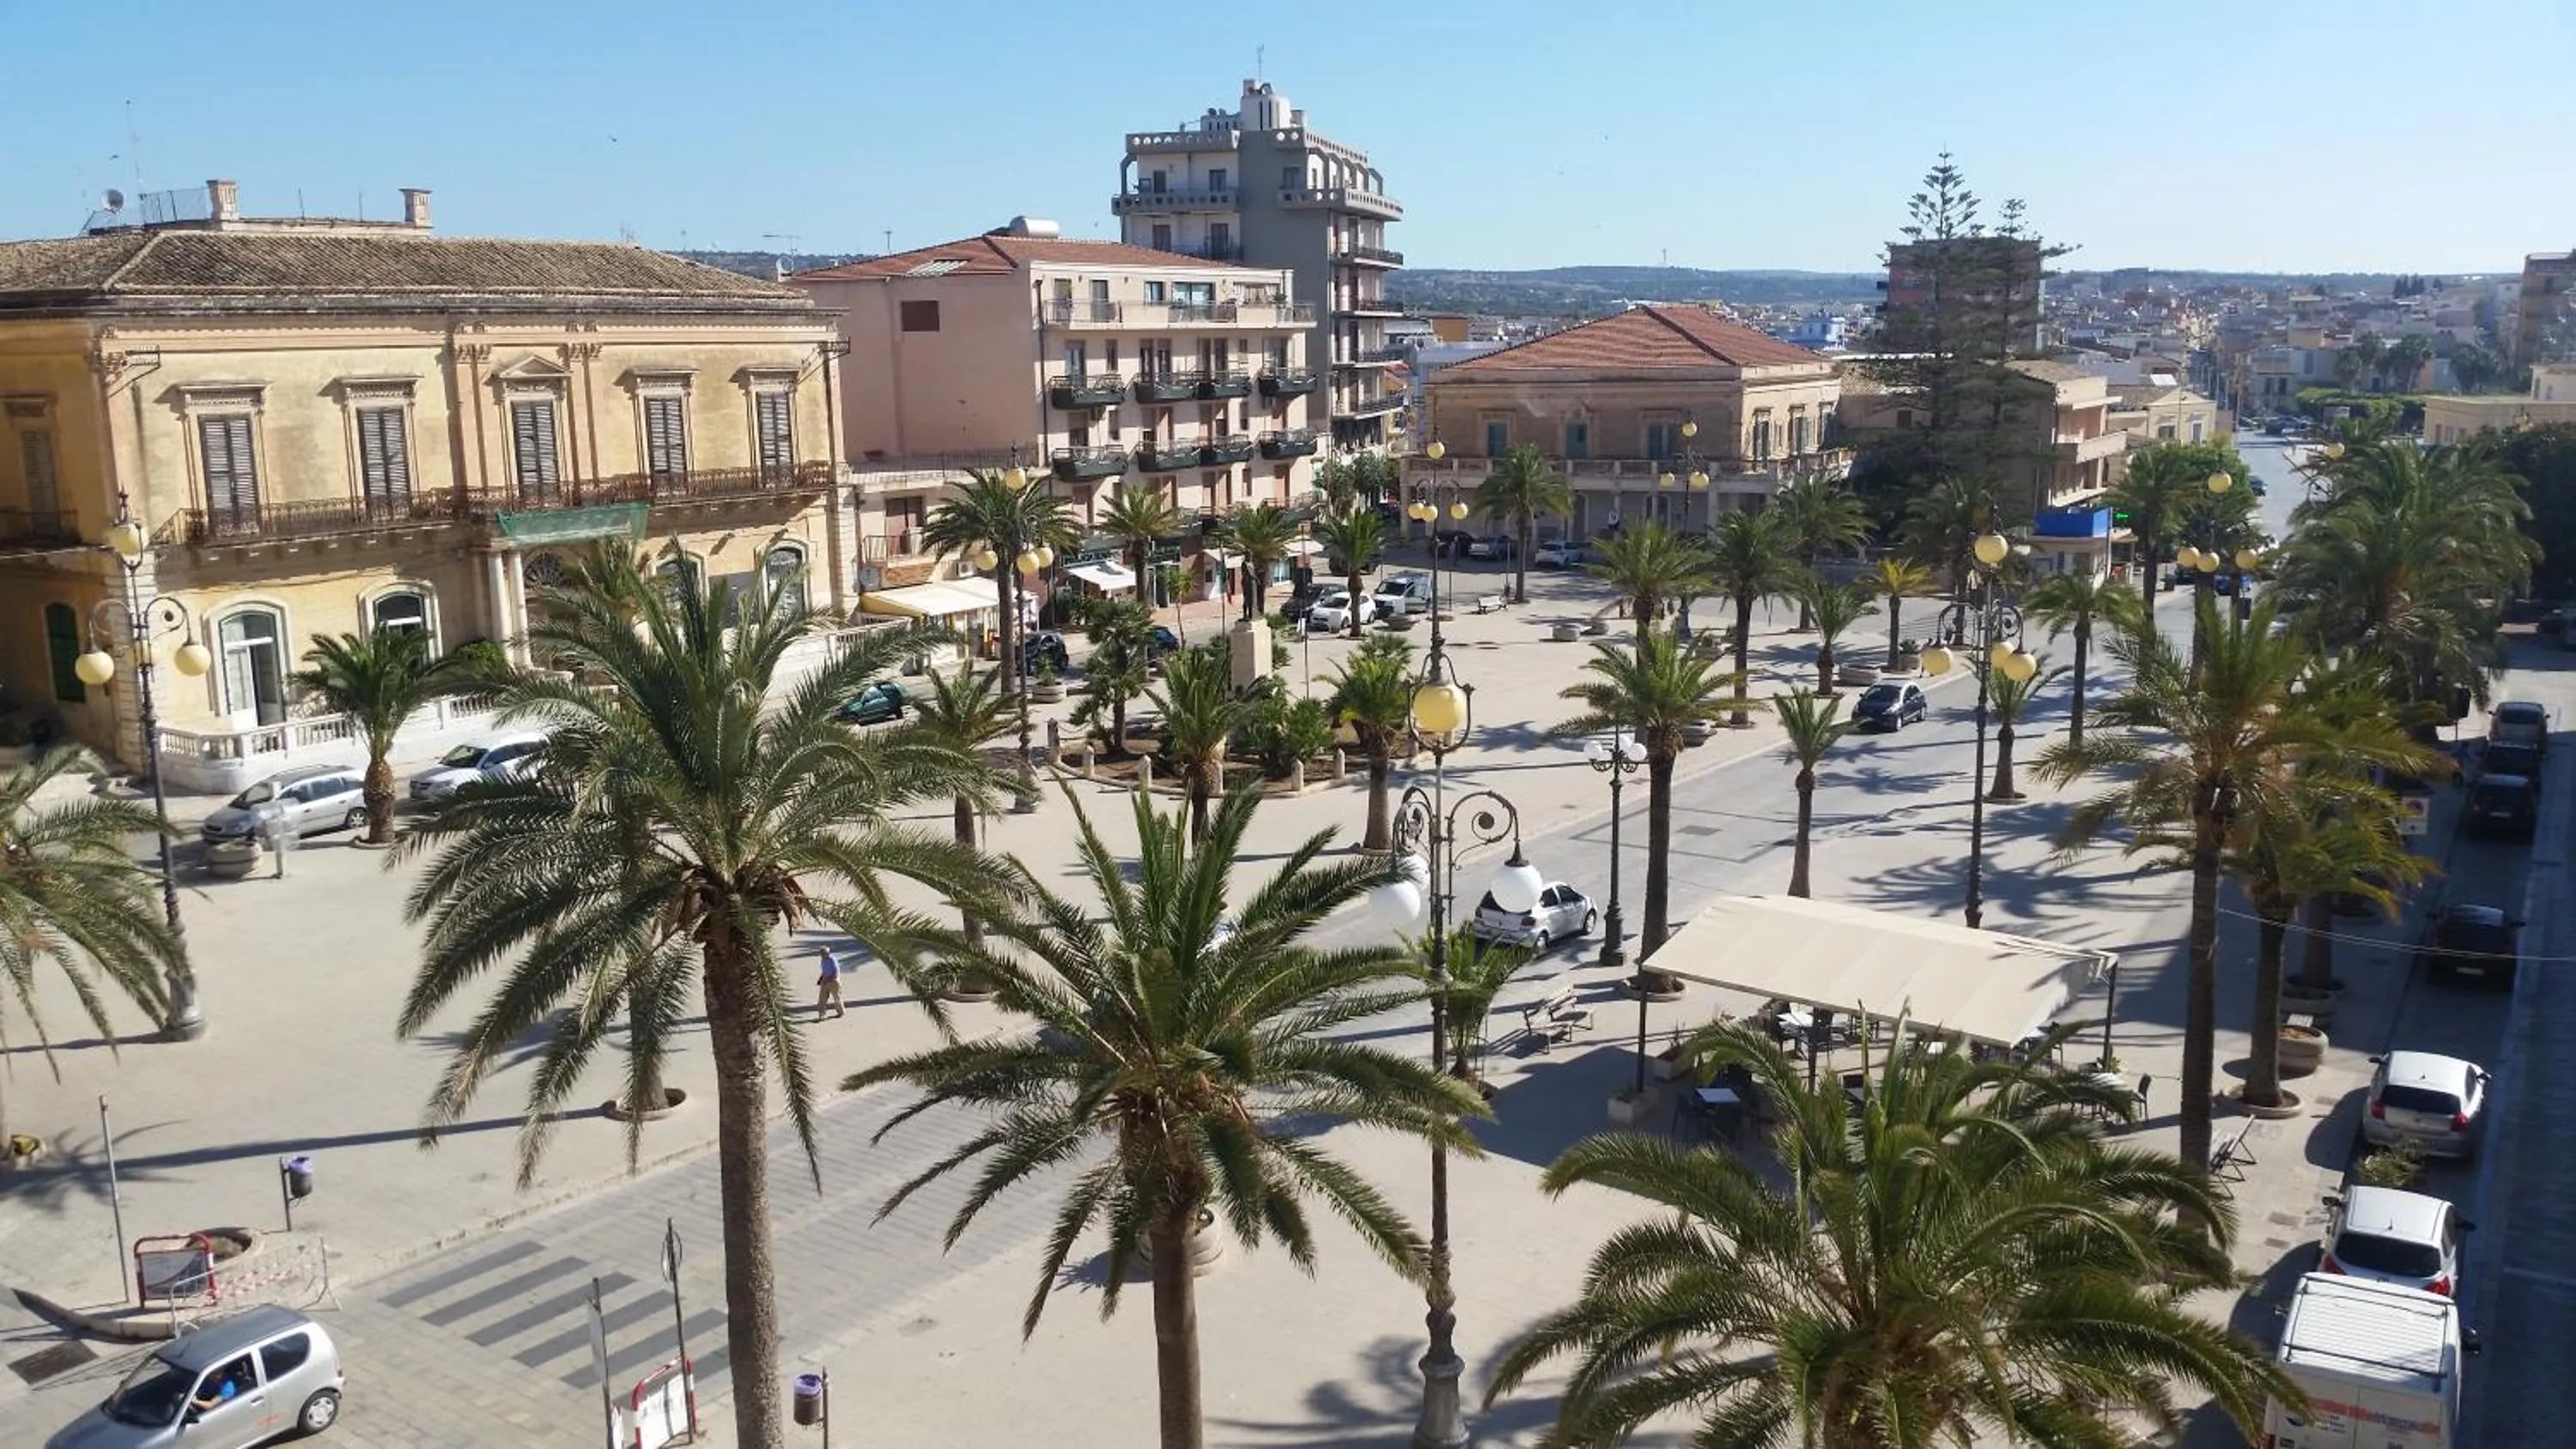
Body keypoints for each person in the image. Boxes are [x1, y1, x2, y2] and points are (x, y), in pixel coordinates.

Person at [813, 947, 843, 1021]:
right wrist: (821, 979)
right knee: (822, 999)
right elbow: (824, 971)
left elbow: (835, 973)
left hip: (834, 981)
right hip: (825, 981)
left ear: (828, 953)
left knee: (837, 998)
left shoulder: (832, 960)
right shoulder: (823, 960)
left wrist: (828, 979)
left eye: (823, 954)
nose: (822, 955)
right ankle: (822, 1015)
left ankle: (841, 1012)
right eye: (821, 954)